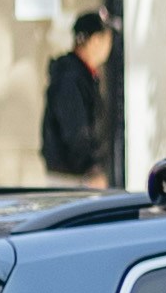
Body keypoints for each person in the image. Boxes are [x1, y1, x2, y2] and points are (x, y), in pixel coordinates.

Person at [41, 11, 117, 188]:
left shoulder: (82, 76)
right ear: (94, 40)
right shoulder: (71, 78)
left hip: (77, 177)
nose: (109, 45)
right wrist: (91, 170)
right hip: (73, 179)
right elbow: (76, 132)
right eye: (106, 38)